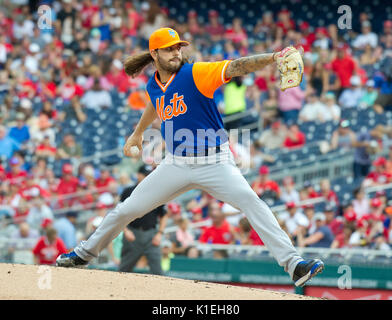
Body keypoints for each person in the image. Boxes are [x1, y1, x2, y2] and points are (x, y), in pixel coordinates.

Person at [57, 27, 324, 287]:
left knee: (252, 203)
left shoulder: (196, 73)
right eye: (169, 49)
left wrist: (273, 57)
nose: (176, 52)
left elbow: (236, 66)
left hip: (215, 162)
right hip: (176, 163)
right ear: (154, 55)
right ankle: (83, 254)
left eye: (178, 47)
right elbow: (155, 102)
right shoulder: (154, 84)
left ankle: (294, 264)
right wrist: (137, 134)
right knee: (127, 209)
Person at [118, 164, 168, 275]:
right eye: (144, 175)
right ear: (138, 175)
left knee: (158, 271)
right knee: (124, 269)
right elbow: (120, 214)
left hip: (151, 235)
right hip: (133, 234)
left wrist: (160, 233)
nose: (147, 177)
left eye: (149, 175)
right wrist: (125, 231)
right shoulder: (128, 191)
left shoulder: (157, 192)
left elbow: (164, 214)